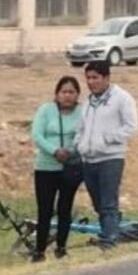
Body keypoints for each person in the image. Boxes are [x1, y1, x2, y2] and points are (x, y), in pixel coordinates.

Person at [74, 60, 138, 250]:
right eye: (88, 78)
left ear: (106, 78)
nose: (91, 82)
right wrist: (80, 144)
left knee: (109, 201)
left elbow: (131, 127)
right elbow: (81, 129)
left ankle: (109, 240)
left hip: (111, 158)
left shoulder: (121, 98)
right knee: (98, 203)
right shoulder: (88, 103)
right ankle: (110, 230)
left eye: (95, 78)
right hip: (89, 159)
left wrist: (108, 139)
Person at [30, 76, 84, 261]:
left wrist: (71, 151)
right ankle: (39, 251)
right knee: (44, 209)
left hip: (70, 167)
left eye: (71, 92)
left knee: (65, 208)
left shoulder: (82, 112)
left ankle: (61, 247)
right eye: (64, 92)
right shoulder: (46, 110)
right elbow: (37, 135)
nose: (67, 96)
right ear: (57, 94)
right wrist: (54, 151)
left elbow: (84, 135)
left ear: (77, 95)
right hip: (46, 167)